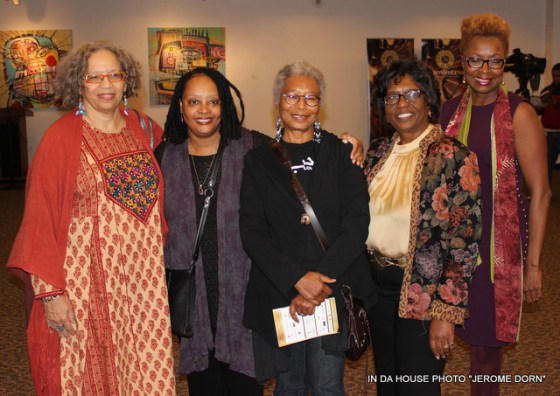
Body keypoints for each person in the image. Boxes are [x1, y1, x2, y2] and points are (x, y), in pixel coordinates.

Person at [158, 67, 364, 395]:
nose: (204, 109)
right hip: (204, 296)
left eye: (213, 101)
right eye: (194, 101)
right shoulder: (165, 157)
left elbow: (349, 219)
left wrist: (351, 145)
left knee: (314, 383)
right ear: (180, 107)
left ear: (224, 106)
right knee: (241, 384)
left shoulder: (254, 147)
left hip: (251, 292)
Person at [6, 41, 175, 395]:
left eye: (114, 74)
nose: (106, 84)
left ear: (126, 80)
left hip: (144, 281)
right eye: (94, 77)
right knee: (89, 372)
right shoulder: (61, 139)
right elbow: (38, 220)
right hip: (85, 283)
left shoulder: (144, 129)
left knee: (144, 364)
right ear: (78, 84)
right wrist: (51, 294)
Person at [239, 61, 376, 395]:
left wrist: (318, 282)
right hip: (281, 289)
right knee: (290, 385)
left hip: (330, 288)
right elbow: (253, 232)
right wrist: (297, 281)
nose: (301, 106)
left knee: (328, 384)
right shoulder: (258, 160)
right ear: (278, 101)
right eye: (292, 96)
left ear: (320, 105)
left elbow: (357, 225)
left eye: (310, 98)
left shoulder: (343, 154)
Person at [441, 13, 551, 396]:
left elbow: (541, 192)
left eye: (495, 60)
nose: (484, 69)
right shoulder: (447, 114)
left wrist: (533, 266)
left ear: (504, 64)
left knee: (486, 353)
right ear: (462, 61)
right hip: (451, 252)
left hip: (497, 254)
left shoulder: (521, 114)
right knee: (437, 341)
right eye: (475, 59)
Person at [364, 58, 482, 396]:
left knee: (417, 388)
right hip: (377, 290)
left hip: (424, 294)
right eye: (391, 96)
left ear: (428, 98)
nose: (401, 104)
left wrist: (446, 313)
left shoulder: (453, 156)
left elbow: (464, 242)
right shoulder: (377, 152)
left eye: (411, 93)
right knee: (388, 384)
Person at [539, 63, 560, 184]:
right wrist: (538, 106)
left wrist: (556, 104)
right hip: (549, 133)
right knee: (547, 164)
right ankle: (546, 191)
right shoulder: (547, 90)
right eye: (554, 76)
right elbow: (540, 110)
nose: (556, 78)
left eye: (559, 76)